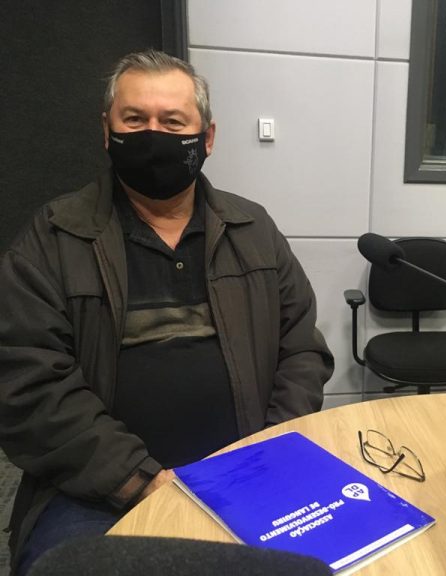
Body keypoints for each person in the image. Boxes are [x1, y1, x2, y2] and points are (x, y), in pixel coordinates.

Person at [0, 49, 334, 574]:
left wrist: (267, 454)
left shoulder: (254, 230)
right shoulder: (53, 238)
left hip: (247, 469)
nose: (153, 135)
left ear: (207, 137)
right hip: (101, 487)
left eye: (173, 122)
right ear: (106, 131)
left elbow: (302, 349)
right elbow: (28, 384)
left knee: (331, 559)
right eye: (135, 120)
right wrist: (141, 480)